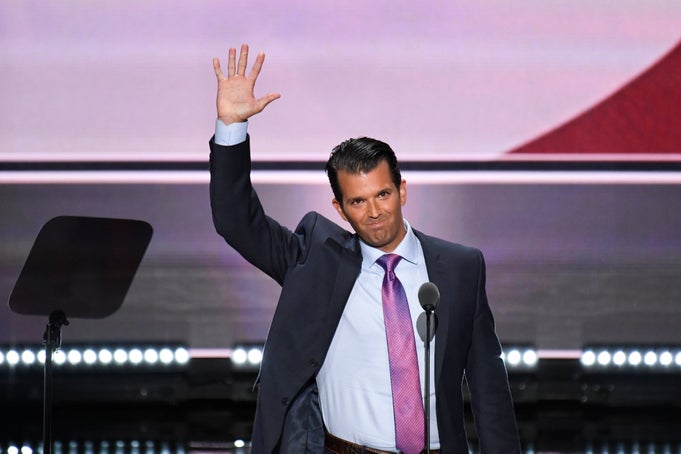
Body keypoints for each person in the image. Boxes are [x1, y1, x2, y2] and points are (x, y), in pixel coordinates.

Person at [209, 44, 521, 454]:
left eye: (383, 194)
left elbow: (488, 388)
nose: (374, 212)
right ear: (339, 208)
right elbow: (236, 222)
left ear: (402, 190)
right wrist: (231, 129)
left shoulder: (461, 267)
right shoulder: (315, 260)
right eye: (358, 201)